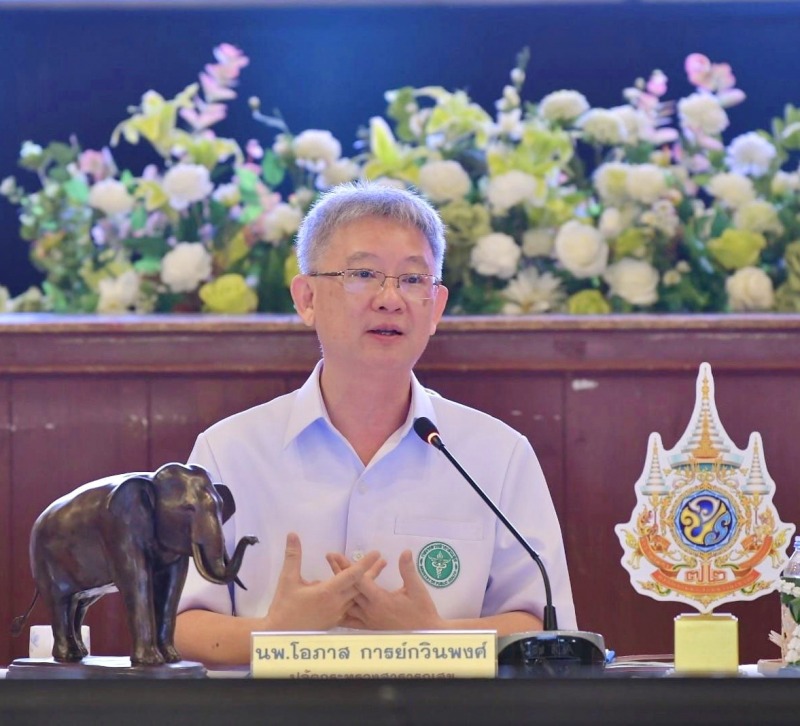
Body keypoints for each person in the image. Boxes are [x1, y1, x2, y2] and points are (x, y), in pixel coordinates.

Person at [175, 182, 576, 665]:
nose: (391, 299)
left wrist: (431, 635)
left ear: (436, 308)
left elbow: (542, 628)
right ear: (307, 298)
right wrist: (276, 633)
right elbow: (178, 627)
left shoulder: (497, 454)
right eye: (363, 274)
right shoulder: (230, 452)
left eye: (412, 280)